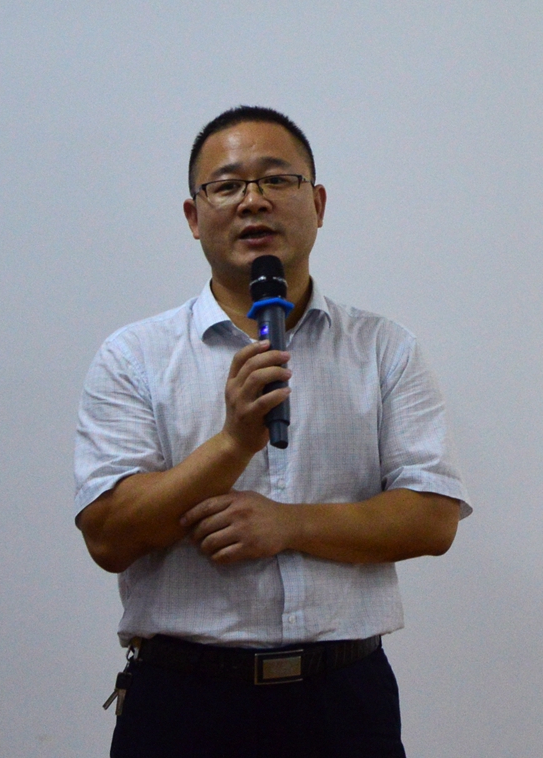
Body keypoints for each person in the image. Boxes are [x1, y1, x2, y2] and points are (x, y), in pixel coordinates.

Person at [74, 105, 471, 758]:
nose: (253, 200)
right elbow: (109, 537)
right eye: (227, 185)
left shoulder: (385, 349)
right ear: (193, 216)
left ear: (318, 203)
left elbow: (432, 520)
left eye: (277, 180)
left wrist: (290, 525)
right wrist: (232, 444)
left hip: (344, 701)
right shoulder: (134, 356)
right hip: (183, 700)